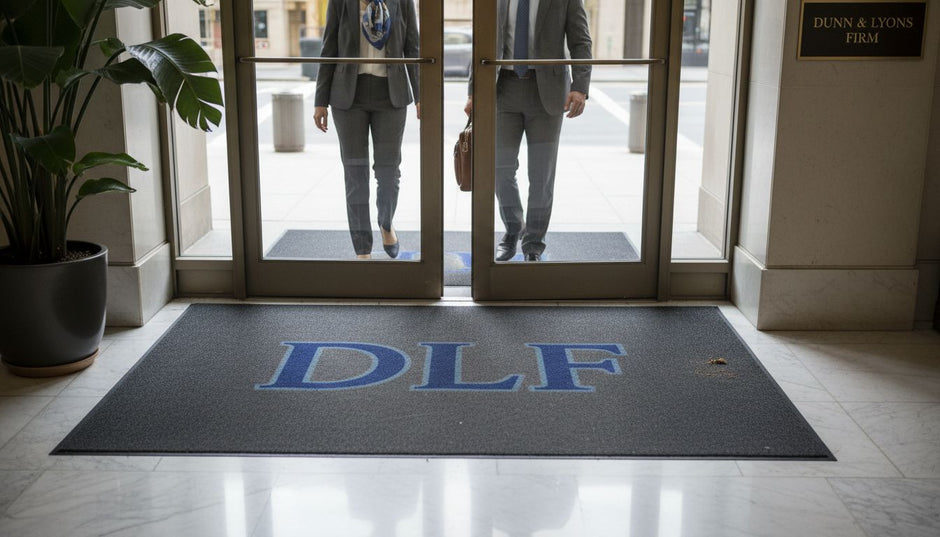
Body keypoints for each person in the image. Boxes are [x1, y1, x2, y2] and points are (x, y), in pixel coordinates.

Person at [465, 0, 592, 262]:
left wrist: (580, 86)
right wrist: (473, 91)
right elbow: (481, 42)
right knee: (499, 167)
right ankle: (514, 228)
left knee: (541, 173)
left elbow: (581, 41)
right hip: (503, 89)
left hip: (547, 90)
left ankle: (533, 243)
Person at [314, 0, 420, 259]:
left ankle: (386, 222)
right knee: (355, 174)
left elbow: (413, 47)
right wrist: (320, 100)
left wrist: (421, 95)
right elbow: (329, 47)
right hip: (348, 97)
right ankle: (362, 248)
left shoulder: (402, 2)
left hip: (390, 95)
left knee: (388, 172)